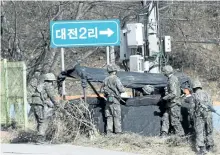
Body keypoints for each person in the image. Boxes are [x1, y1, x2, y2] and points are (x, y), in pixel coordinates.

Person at [186, 80, 214, 155]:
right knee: (209, 130)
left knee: (200, 131)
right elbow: (211, 104)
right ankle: (210, 146)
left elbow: (192, 108)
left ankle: (202, 149)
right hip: (209, 115)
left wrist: (191, 117)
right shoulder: (207, 94)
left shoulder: (194, 95)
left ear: (194, 87)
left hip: (199, 116)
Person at [31, 72, 59, 143]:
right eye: (53, 81)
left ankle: (38, 138)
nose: (53, 83)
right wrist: (57, 104)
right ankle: (40, 139)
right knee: (42, 121)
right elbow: (52, 96)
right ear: (51, 81)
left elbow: (43, 98)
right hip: (39, 104)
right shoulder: (48, 86)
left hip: (35, 103)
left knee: (39, 121)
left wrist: (50, 104)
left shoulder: (41, 85)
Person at [160, 65, 184, 137]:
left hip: (174, 103)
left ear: (166, 72)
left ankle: (181, 136)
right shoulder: (171, 79)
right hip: (170, 104)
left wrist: (164, 98)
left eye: (164, 72)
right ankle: (164, 133)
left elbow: (173, 93)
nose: (163, 73)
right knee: (165, 117)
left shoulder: (172, 79)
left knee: (175, 121)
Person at [102, 64, 125, 135]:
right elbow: (122, 90)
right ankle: (118, 132)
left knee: (109, 116)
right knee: (117, 116)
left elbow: (102, 90)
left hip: (108, 100)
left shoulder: (105, 79)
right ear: (114, 71)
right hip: (115, 100)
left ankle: (109, 132)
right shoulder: (116, 79)